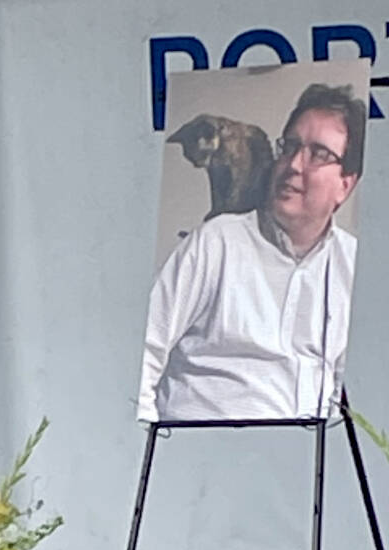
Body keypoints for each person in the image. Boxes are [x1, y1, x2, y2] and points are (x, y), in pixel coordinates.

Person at [139, 83, 366, 422]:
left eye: (318, 154)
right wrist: (148, 437)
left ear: (345, 185)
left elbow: (355, 396)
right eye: (290, 146)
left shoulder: (355, 265)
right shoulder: (215, 242)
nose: (294, 164)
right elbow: (142, 353)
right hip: (199, 442)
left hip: (306, 448)